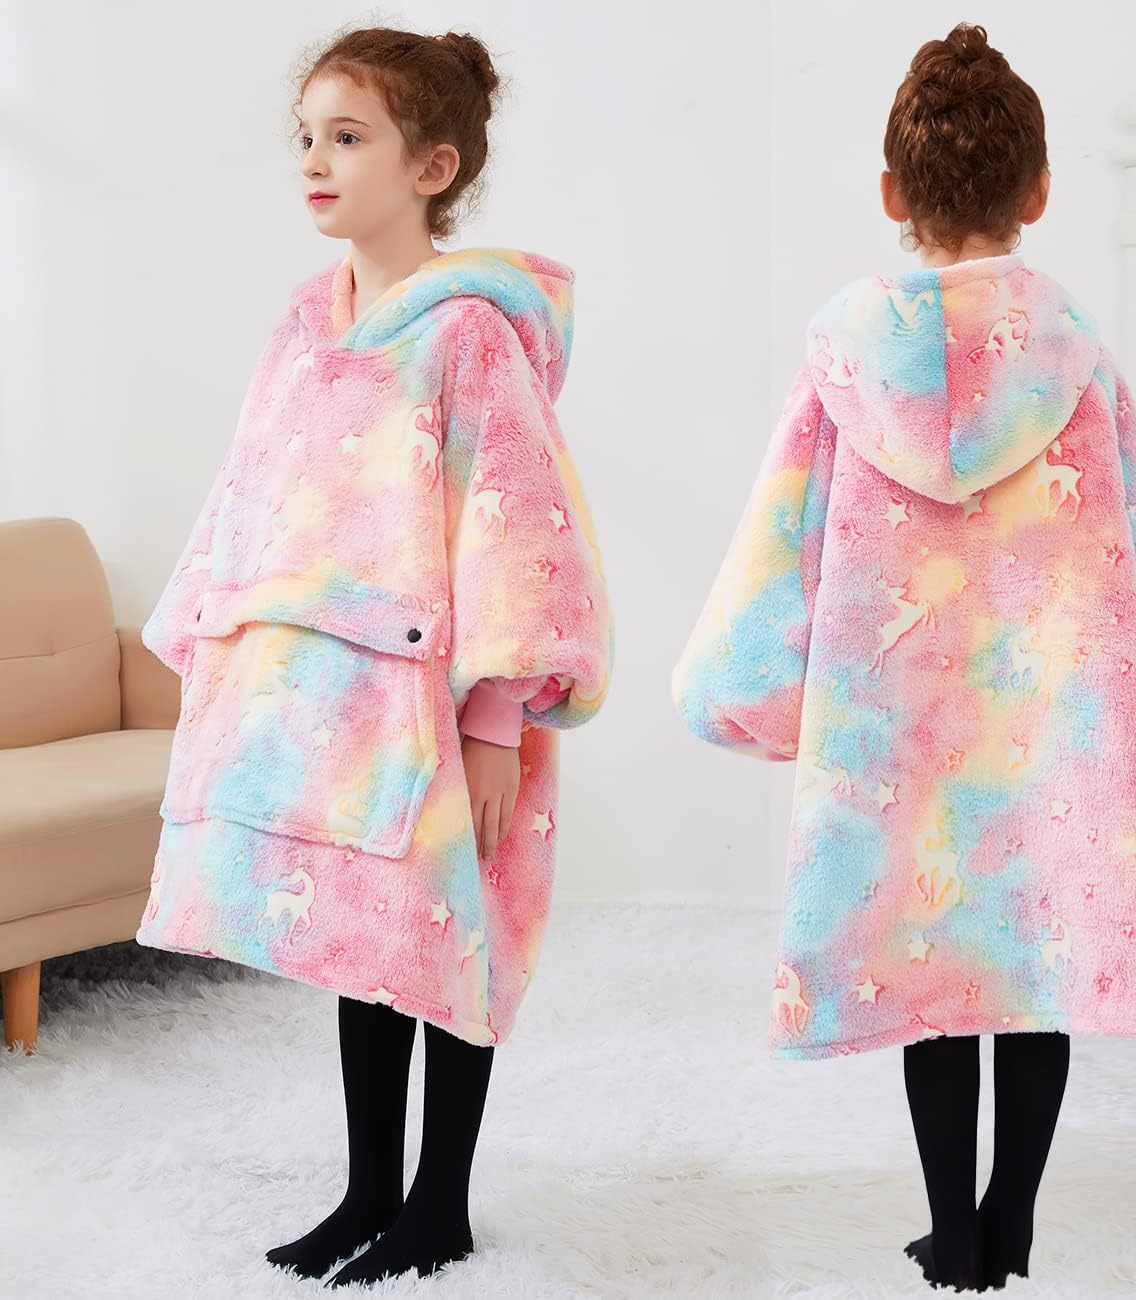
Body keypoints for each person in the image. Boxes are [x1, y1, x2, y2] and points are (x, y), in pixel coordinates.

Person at [670, 22, 1136, 1293]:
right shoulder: (1076, 358)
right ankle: (1011, 1218)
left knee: (932, 974)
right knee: (1030, 970)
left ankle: (955, 1234)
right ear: (1039, 193)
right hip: (1053, 730)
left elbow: (782, 535)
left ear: (891, 193)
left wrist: (751, 689)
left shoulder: (842, 358)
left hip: (897, 731)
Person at [135, 25, 613, 1287]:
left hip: (444, 700)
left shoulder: (471, 336)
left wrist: (498, 717)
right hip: (328, 698)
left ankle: (438, 1206)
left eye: (347, 137)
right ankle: (365, 1190)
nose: (314, 159)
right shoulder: (304, 323)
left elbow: (518, 525)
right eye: (306, 135)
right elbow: (254, 493)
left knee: (449, 939)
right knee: (361, 942)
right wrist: (229, 655)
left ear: (432, 166)